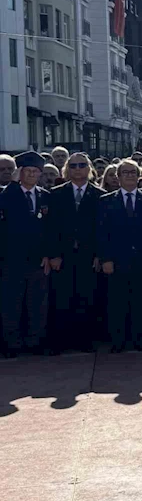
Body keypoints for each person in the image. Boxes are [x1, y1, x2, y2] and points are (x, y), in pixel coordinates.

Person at [97, 159, 142, 353]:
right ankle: (118, 340)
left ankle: (140, 339)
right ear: (117, 177)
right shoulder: (106, 201)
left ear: (139, 176)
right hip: (117, 260)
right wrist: (106, 259)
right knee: (117, 301)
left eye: (133, 172)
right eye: (125, 172)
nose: (129, 175)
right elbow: (101, 233)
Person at [48, 153, 105, 352]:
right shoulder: (55, 194)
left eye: (82, 165)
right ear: (66, 170)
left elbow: (102, 228)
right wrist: (54, 254)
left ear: (89, 168)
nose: (78, 169)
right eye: (73, 166)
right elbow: (51, 227)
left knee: (87, 297)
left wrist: (100, 255)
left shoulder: (100, 195)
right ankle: (64, 340)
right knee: (63, 297)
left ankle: (85, 340)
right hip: (63, 255)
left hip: (88, 256)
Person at [0, 152, 51, 357]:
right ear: (19, 173)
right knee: (11, 304)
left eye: (35, 172)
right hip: (11, 260)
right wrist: (12, 184)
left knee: (37, 304)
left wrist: (49, 254)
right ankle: (12, 344)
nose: (31, 175)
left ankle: (35, 341)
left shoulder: (44, 195)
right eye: (27, 171)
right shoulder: (7, 193)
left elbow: (51, 229)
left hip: (38, 260)